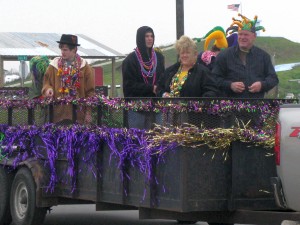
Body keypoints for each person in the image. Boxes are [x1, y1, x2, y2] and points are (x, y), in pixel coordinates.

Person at [212, 14, 279, 98]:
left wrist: (262, 85)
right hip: (231, 107)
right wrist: (230, 85)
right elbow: (214, 78)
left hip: (256, 106)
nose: (242, 37)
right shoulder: (224, 55)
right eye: (240, 34)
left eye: (246, 34)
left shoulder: (263, 56)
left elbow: (273, 79)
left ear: (254, 36)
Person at [42, 34, 95, 124]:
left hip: (79, 115)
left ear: (74, 50)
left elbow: (90, 92)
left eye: (65, 50)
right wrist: (48, 89)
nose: (62, 52)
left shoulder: (85, 67)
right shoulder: (53, 66)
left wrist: (88, 113)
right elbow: (46, 83)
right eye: (61, 49)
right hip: (57, 116)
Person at [122, 26, 165, 97]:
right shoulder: (130, 60)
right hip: (139, 102)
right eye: (146, 36)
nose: (150, 39)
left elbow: (163, 78)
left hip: (157, 101)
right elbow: (129, 86)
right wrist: (150, 88)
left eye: (152, 36)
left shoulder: (159, 57)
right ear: (140, 38)